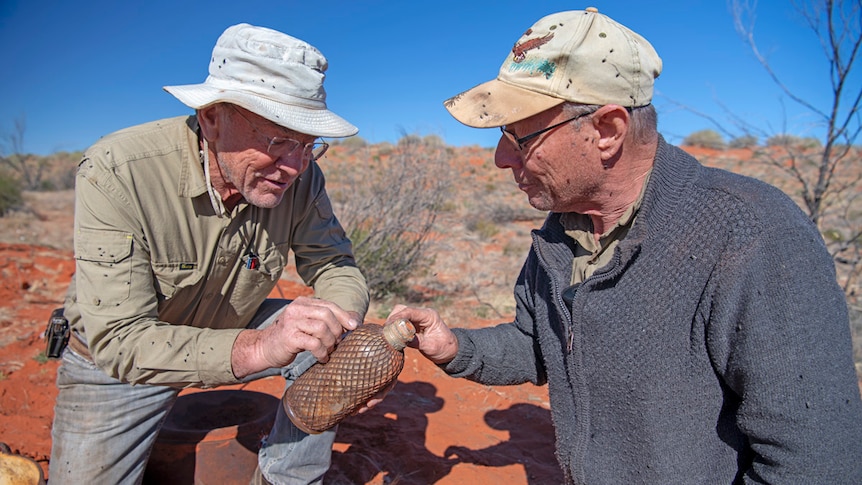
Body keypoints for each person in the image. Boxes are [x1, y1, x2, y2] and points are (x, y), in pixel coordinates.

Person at [389, 8, 862, 484]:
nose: (500, 158)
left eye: (519, 135)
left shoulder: (753, 234)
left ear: (608, 131)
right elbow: (541, 343)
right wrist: (457, 348)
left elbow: (813, 463)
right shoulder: (562, 233)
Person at [49, 24, 370, 484]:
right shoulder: (118, 170)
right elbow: (120, 338)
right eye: (278, 140)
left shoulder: (300, 178)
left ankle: (289, 480)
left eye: (308, 145)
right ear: (213, 118)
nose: (294, 167)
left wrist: (341, 327)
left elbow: (334, 263)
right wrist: (260, 346)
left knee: (331, 340)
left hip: (229, 323)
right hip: (124, 364)